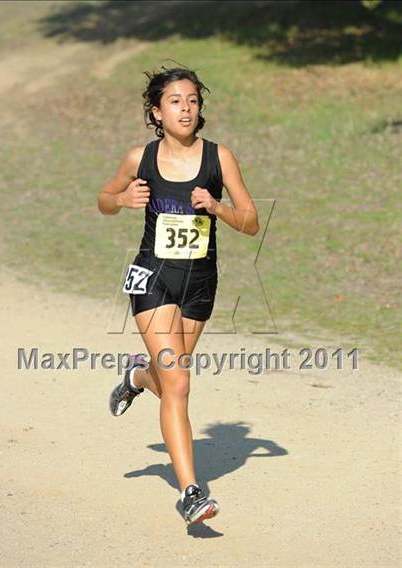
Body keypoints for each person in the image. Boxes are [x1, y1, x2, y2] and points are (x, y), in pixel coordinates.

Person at [97, 65, 259, 526]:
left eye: (192, 100)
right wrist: (122, 200)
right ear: (157, 110)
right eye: (175, 100)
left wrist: (217, 207)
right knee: (182, 383)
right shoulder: (139, 159)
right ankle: (190, 492)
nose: (185, 107)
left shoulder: (219, 158)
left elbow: (251, 224)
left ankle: (137, 378)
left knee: (168, 380)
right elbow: (103, 199)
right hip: (153, 277)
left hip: (200, 283)